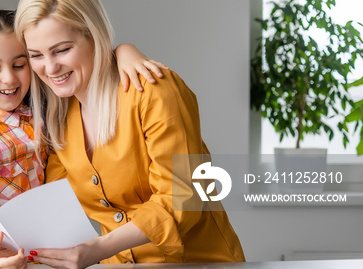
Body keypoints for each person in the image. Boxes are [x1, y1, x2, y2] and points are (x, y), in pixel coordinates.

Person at [14, 0, 246, 267]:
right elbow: (54, 204)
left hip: (196, 261)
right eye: (36, 55)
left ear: (94, 36)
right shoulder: (58, 117)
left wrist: (98, 248)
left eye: (62, 50)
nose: (50, 68)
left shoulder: (154, 92)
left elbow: (182, 197)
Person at [0, 9, 169, 269]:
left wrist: (124, 50)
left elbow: (181, 197)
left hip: (47, 259)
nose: (9, 78)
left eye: (20, 64)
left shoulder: (43, 112)